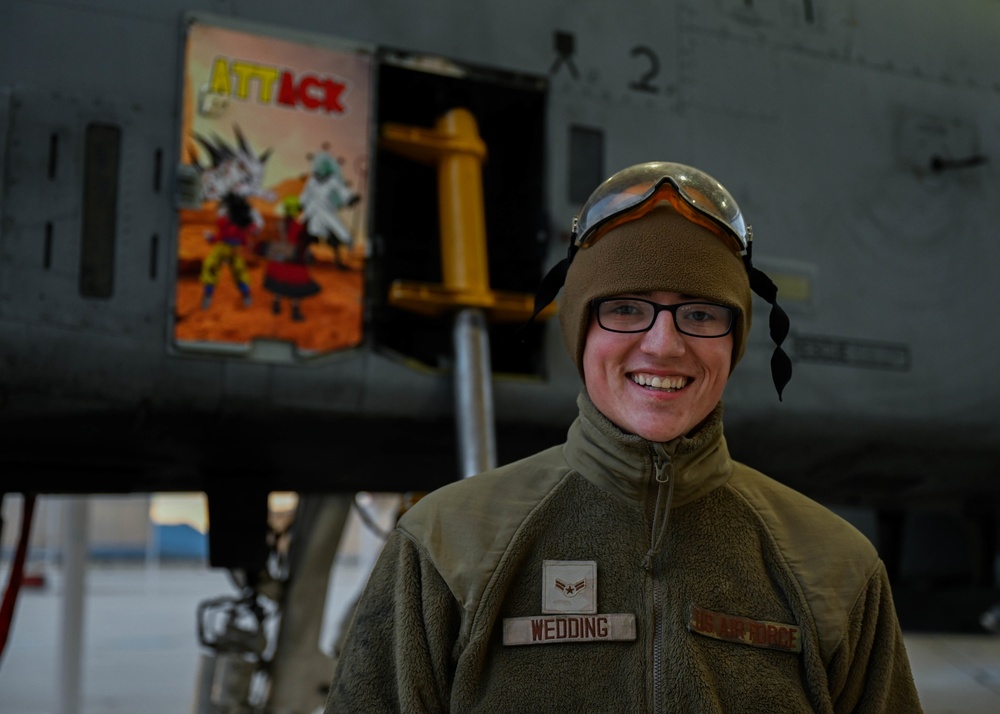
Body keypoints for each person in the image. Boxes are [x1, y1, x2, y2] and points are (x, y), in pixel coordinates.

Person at [325, 162, 922, 712]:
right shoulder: (446, 546)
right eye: (628, 309)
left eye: (700, 313)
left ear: (735, 340)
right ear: (580, 329)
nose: (663, 344)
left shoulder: (834, 569)